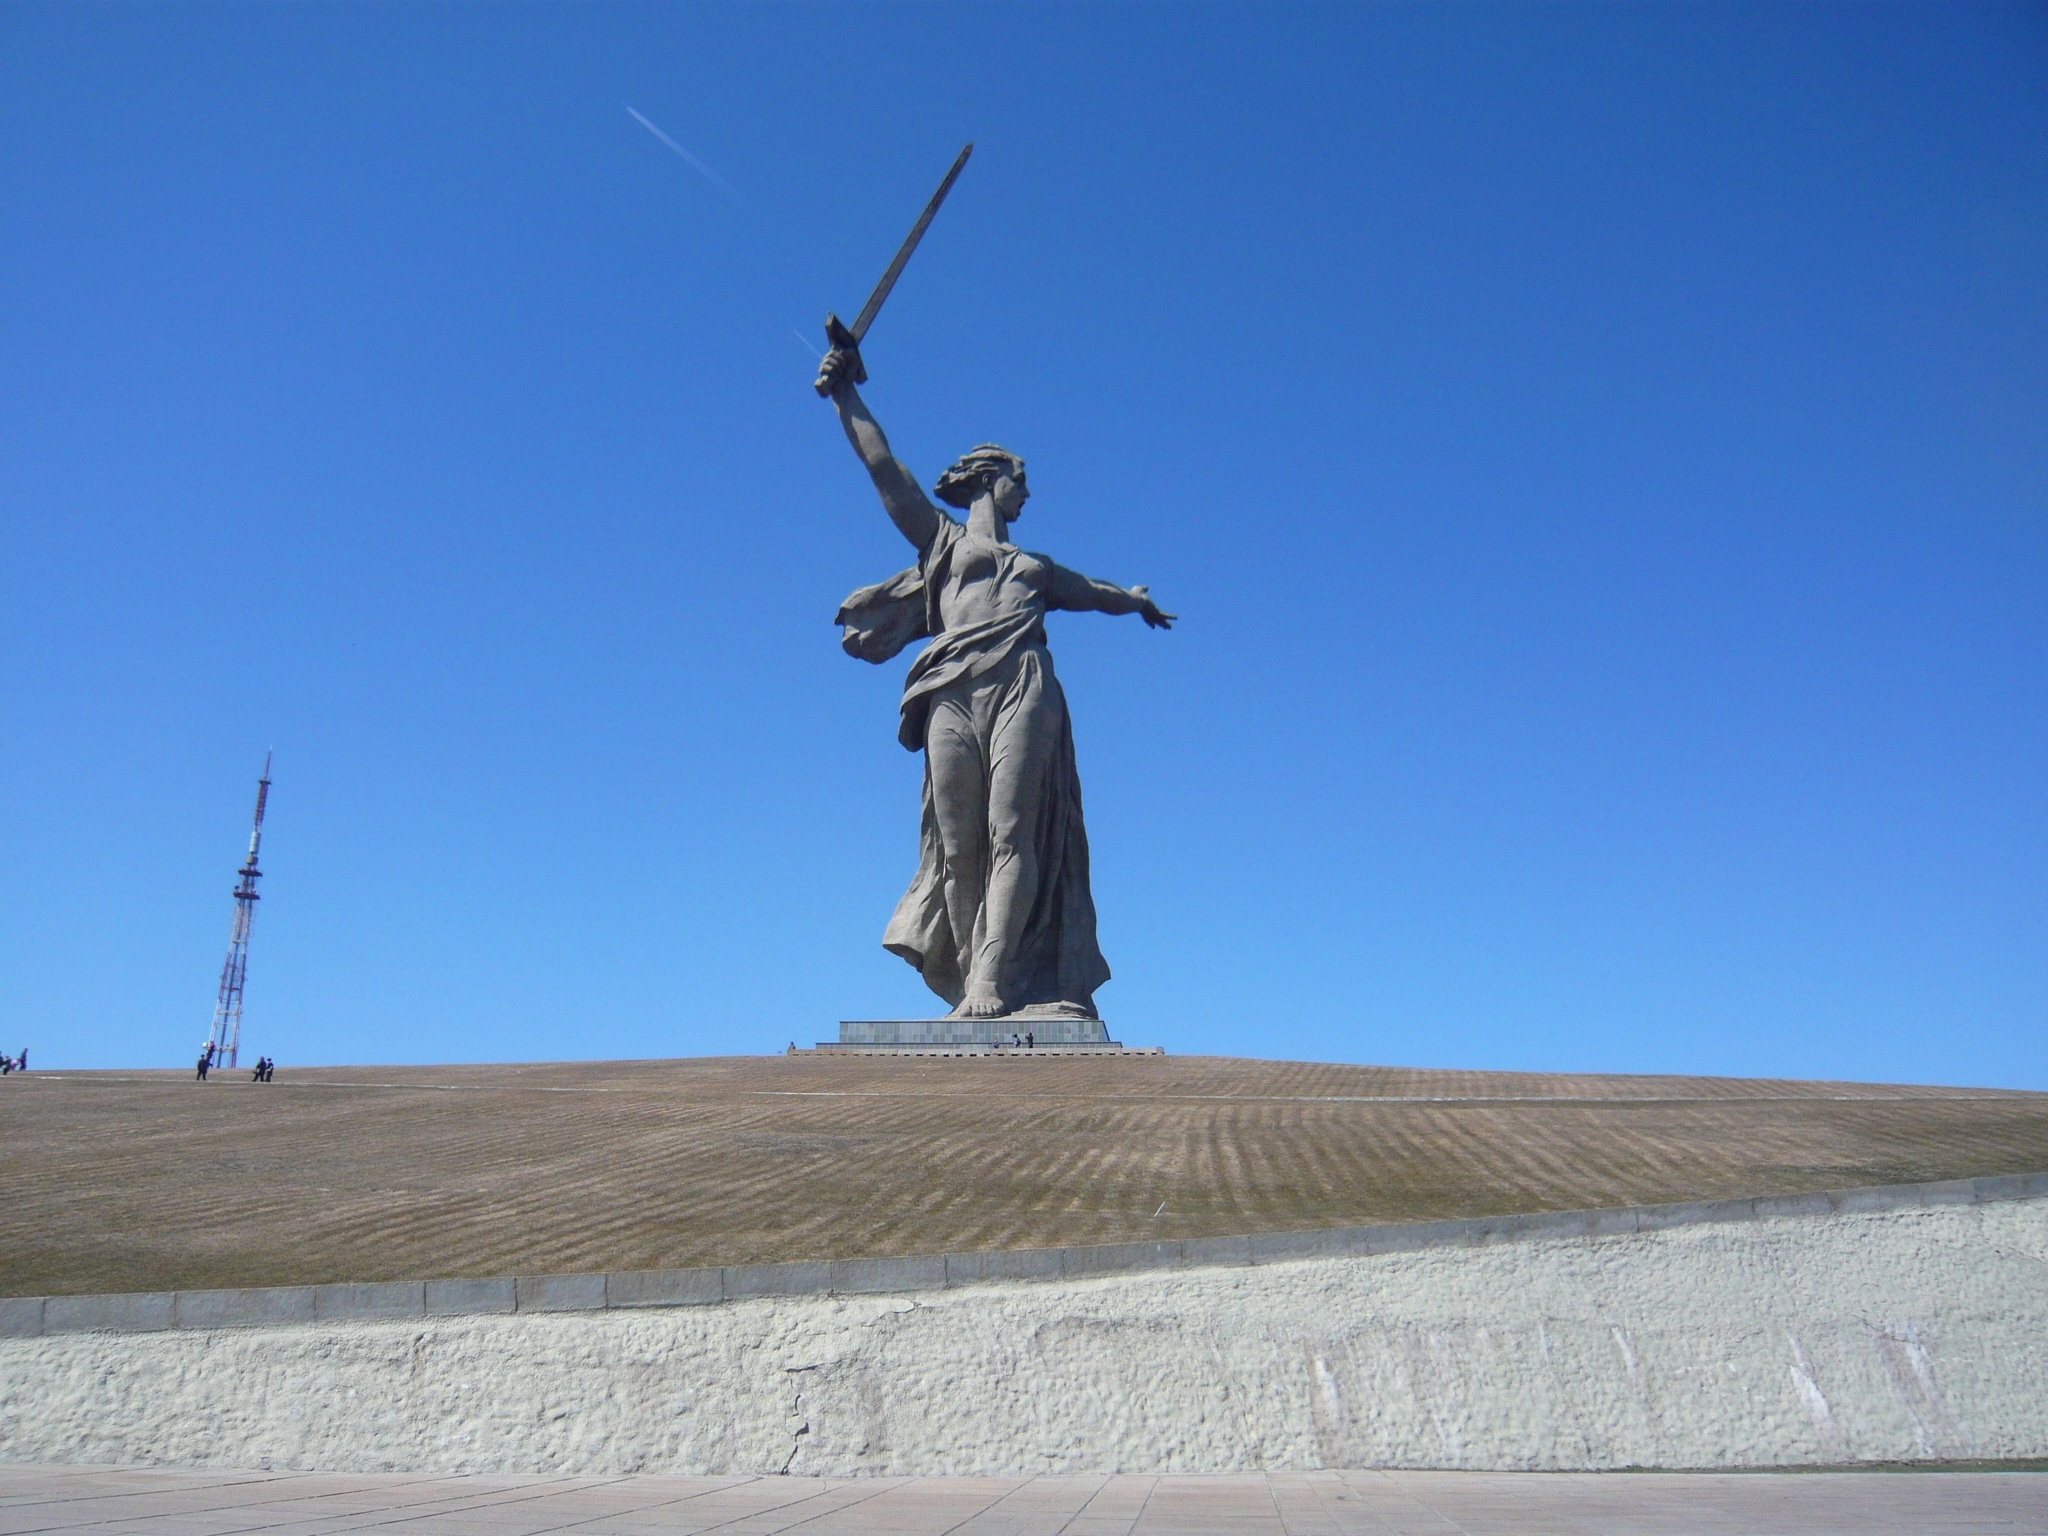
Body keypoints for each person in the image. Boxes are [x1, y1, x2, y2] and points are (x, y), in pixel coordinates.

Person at [819, 345, 1174, 1021]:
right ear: (990, 480)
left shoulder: (1036, 568)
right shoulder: (944, 544)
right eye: (1021, 479)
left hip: (1023, 684)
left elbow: (1096, 593)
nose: (1029, 492)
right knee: (959, 846)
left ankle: (993, 980)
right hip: (951, 686)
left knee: (1013, 831)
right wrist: (846, 397)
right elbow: (885, 470)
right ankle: (968, 976)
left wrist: (1134, 600)